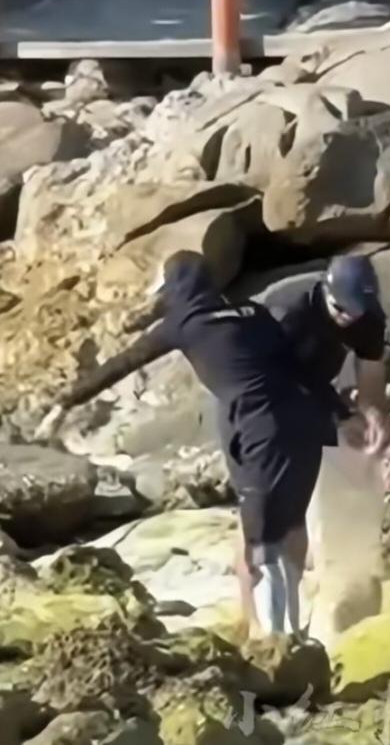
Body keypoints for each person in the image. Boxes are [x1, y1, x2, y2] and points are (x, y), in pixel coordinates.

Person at [35, 250, 344, 639]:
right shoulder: (253, 312)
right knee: (290, 521)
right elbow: (297, 366)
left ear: (176, 289)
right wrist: (342, 411)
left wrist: (64, 402)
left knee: (259, 534)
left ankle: (275, 639)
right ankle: (286, 626)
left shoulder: (184, 321)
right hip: (306, 421)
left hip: (260, 427)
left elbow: (123, 363)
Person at [230, 255, 390, 646]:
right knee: (260, 513)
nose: (348, 321)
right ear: (325, 291)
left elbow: (372, 380)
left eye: (357, 314)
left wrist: (373, 416)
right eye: (340, 311)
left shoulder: (367, 316)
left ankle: (290, 620)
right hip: (256, 397)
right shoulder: (287, 311)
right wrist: (338, 414)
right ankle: (252, 624)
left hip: (313, 394)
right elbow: (272, 380)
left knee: (298, 510)